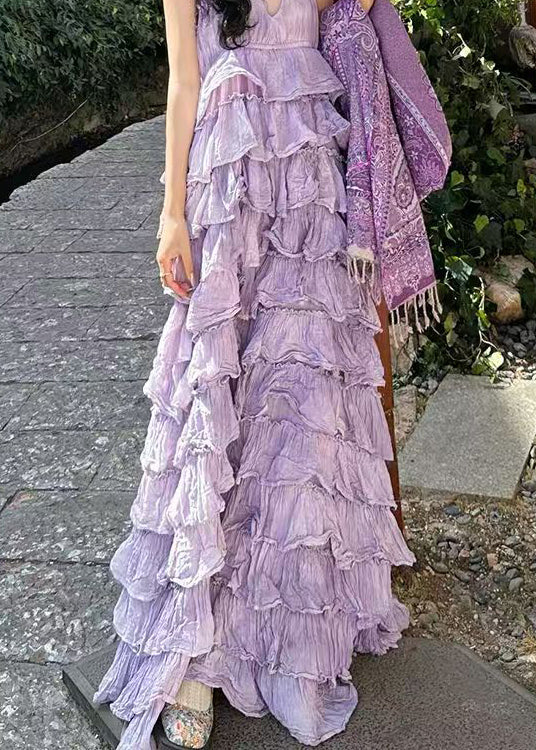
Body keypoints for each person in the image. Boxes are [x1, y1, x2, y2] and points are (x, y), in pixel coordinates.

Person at [94, 0, 416, 747]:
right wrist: (171, 213)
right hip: (229, 185)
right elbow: (183, 80)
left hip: (309, 191)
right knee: (217, 401)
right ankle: (197, 653)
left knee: (302, 404)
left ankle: (290, 637)